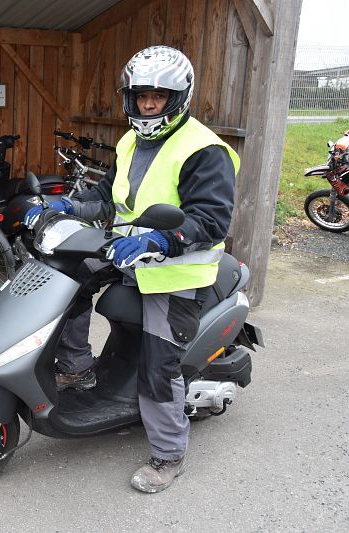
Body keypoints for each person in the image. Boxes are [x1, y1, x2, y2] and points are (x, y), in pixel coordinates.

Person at [23, 45, 239, 493]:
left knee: (159, 367)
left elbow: (211, 219)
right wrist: (65, 205)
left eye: (158, 96)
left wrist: (161, 239)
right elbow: (108, 199)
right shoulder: (129, 141)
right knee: (65, 286)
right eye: (140, 96)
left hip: (175, 274)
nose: (148, 104)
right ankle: (77, 367)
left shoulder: (204, 149)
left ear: (178, 96)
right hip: (129, 257)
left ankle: (168, 453)